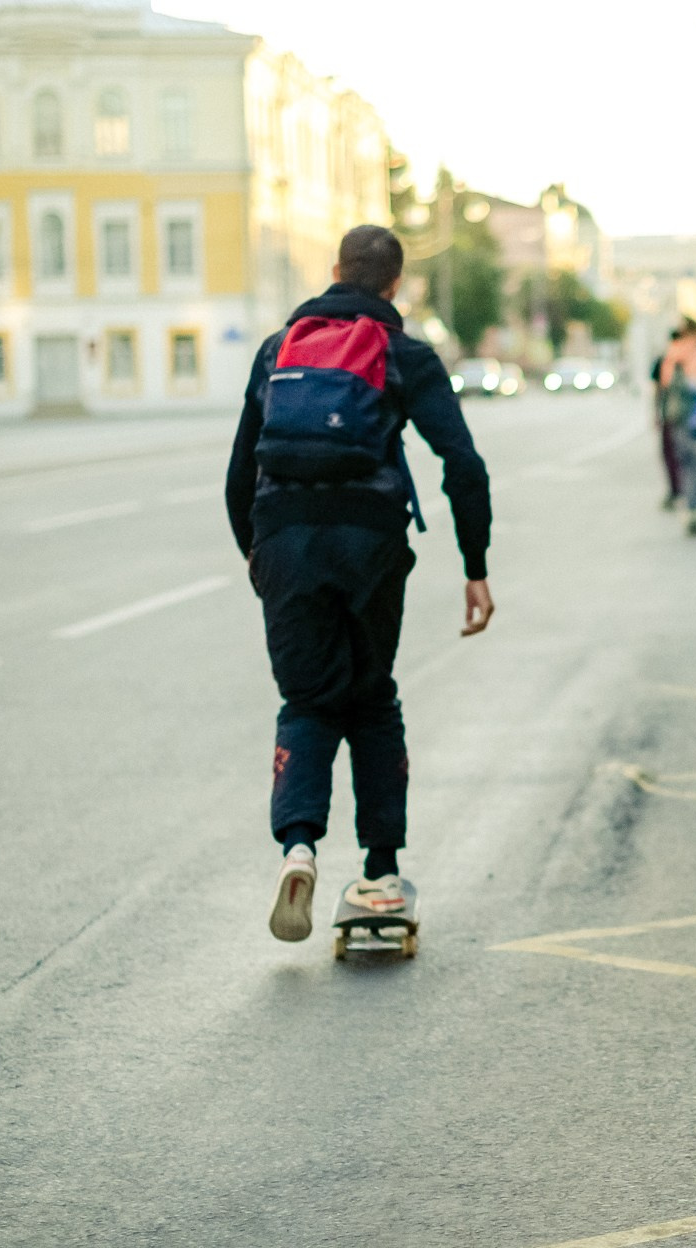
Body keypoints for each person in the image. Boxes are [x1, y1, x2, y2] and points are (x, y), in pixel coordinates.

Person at [226, 225, 495, 943]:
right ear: (395, 284)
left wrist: (259, 555)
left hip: (284, 542)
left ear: (335, 270)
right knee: (371, 698)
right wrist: (474, 567)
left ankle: (299, 848)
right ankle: (380, 870)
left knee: (307, 700)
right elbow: (463, 465)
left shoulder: (277, 349)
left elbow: (239, 474)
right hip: (369, 547)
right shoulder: (405, 355)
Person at [659, 318, 696, 537]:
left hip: (676, 420)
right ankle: (694, 509)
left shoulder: (671, 354)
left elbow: (664, 385)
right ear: (695, 333)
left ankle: (688, 506)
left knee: (684, 465)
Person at [651, 330, 683, 510]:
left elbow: (657, 390)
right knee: (677, 455)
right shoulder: (689, 358)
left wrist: (656, 413)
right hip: (682, 417)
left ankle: (676, 491)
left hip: (670, 416)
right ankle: (678, 490)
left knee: (671, 455)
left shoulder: (665, 360)